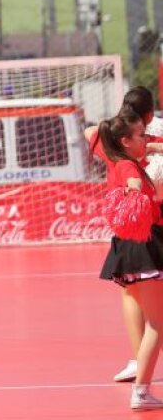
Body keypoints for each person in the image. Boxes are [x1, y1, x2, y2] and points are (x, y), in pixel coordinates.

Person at [86, 87, 163, 383]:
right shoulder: (134, 152)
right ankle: (141, 376)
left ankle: (137, 359)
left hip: (126, 228)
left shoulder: (112, 144)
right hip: (148, 224)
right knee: (155, 314)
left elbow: (90, 130)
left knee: (130, 293)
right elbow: (142, 185)